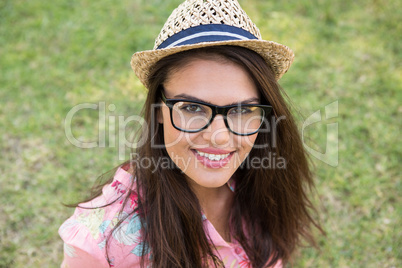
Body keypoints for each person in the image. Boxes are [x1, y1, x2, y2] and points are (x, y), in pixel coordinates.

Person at [59, 0, 322, 267]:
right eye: (193, 107)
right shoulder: (102, 240)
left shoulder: (269, 183)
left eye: (242, 110)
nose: (219, 137)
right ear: (158, 110)